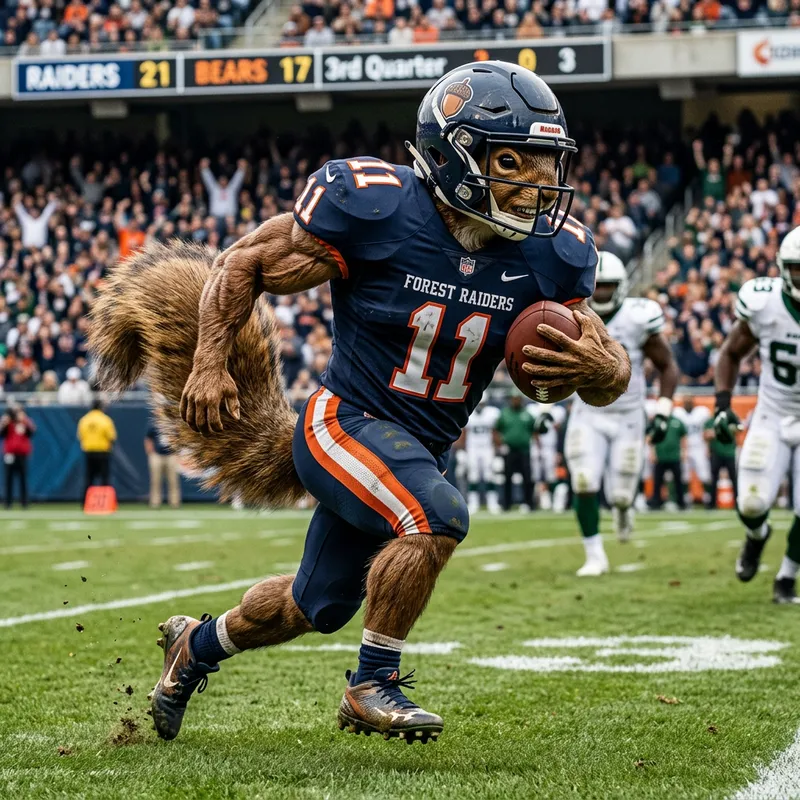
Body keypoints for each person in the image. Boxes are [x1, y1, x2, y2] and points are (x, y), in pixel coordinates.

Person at [90, 62, 631, 743]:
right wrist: (209, 362)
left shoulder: (554, 256)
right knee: (437, 515)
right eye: (515, 162)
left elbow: (610, 376)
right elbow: (243, 261)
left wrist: (604, 364)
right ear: (452, 152)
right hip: (342, 422)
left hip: (416, 449)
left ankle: (193, 648)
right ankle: (372, 682)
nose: (538, 186)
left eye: (548, 164)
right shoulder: (377, 207)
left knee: (313, 605)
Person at [565, 252, 678, 575]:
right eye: (597, 287)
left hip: (629, 415)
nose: (601, 293)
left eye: (608, 287)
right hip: (587, 412)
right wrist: (546, 406)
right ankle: (595, 555)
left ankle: (624, 508)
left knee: (622, 494)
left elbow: (668, 366)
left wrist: (663, 411)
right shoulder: (573, 316)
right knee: (584, 479)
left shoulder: (638, 317)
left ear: (622, 287)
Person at [714, 226, 800, 604]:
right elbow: (731, 353)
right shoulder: (765, 304)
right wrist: (721, 404)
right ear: (783, 269)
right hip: (772, 411)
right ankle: (756, 535)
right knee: (750, 503)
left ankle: (786, 577)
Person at [494, 393, 535, 512]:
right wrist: (499, 445)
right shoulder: (504, 413)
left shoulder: (527, 414)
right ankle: (506, 504)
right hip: (509, 450)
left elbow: (534, 430)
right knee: (507, 477)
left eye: (518, 399)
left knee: (527, 478)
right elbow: (496, 430)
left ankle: (529, 503)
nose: (516, 401)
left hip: (524, 450)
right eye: (514, 398)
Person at [463, 401, 501, 514]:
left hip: (487, 448)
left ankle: (492, 503)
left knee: (490, 475)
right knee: (473, 476)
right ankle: (473, 503)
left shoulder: (492, 413)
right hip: (472, 449)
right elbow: (464, 433)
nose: (480, 406)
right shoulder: (469, 413)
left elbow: (495, 432)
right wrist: (462, 450)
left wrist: (499, 447)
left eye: (482, 404)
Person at [673, 396, 712, 506]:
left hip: (699, 447)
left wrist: (708, 446)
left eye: (689, 401)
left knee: (704, 473)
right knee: (684, 474)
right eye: (686, 401)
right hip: (685, 447)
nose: (688, 403)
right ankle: (686, 498)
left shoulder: (702, 412)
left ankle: (707, 497)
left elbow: (708, 427)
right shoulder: (678, 413)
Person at [528, 401, 567, 511]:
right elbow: (532, 429)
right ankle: (539, 499)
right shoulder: (532, 409)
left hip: (551, 447)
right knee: (536, 475)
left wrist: (558, 450)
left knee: (551, 476)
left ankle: (552, 499)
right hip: (536, 446)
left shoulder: (558, 411)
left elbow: (558, 429)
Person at [77, 399, 117, 500]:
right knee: (104, 479)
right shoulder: (105, 419)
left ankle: (86, 502)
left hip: (89, 451)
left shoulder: (84, 419)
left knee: (89, 479)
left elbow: (80, 436)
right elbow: (112, 437)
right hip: (102, 451)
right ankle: (104, 502)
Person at [648, 413, 687, 511]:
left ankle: (681, 502)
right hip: (660, 456)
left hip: (675, 456)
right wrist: (652, 452)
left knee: (678, 481)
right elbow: (650, 438)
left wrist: (683, 451)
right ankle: (656, 502)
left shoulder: (677, 421)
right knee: (657, 482)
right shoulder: (656, 421)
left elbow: (683, 437)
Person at [1, 404, 35, 509]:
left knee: (23, 479)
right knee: (8, 479)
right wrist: (4, 422)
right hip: (10, 454)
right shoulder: (8, 423)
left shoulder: (24, 422)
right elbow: (2, 434)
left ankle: (24, 503)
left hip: (22, 454)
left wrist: (24, 420)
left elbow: (32, 432)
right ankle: (8, 503)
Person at [703, 413, 736, 510]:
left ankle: (737, 502)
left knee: (734, 478)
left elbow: (738, 430)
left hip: (729, 452)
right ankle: (712, 502)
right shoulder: (710, 421)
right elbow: (705, 435)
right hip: (716, 452)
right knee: (713, 479)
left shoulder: (731, 418)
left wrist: (716, 432)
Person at [145, 421, 181, 509]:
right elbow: (148, 439)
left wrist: (176, 453)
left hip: (170, 455)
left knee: (173, 480)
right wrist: (150, 453)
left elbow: (178, 439)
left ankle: (174, 502)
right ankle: (155, 502)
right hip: (157, 455)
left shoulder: (172, 425)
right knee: (155, 480)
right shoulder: (153, 425)